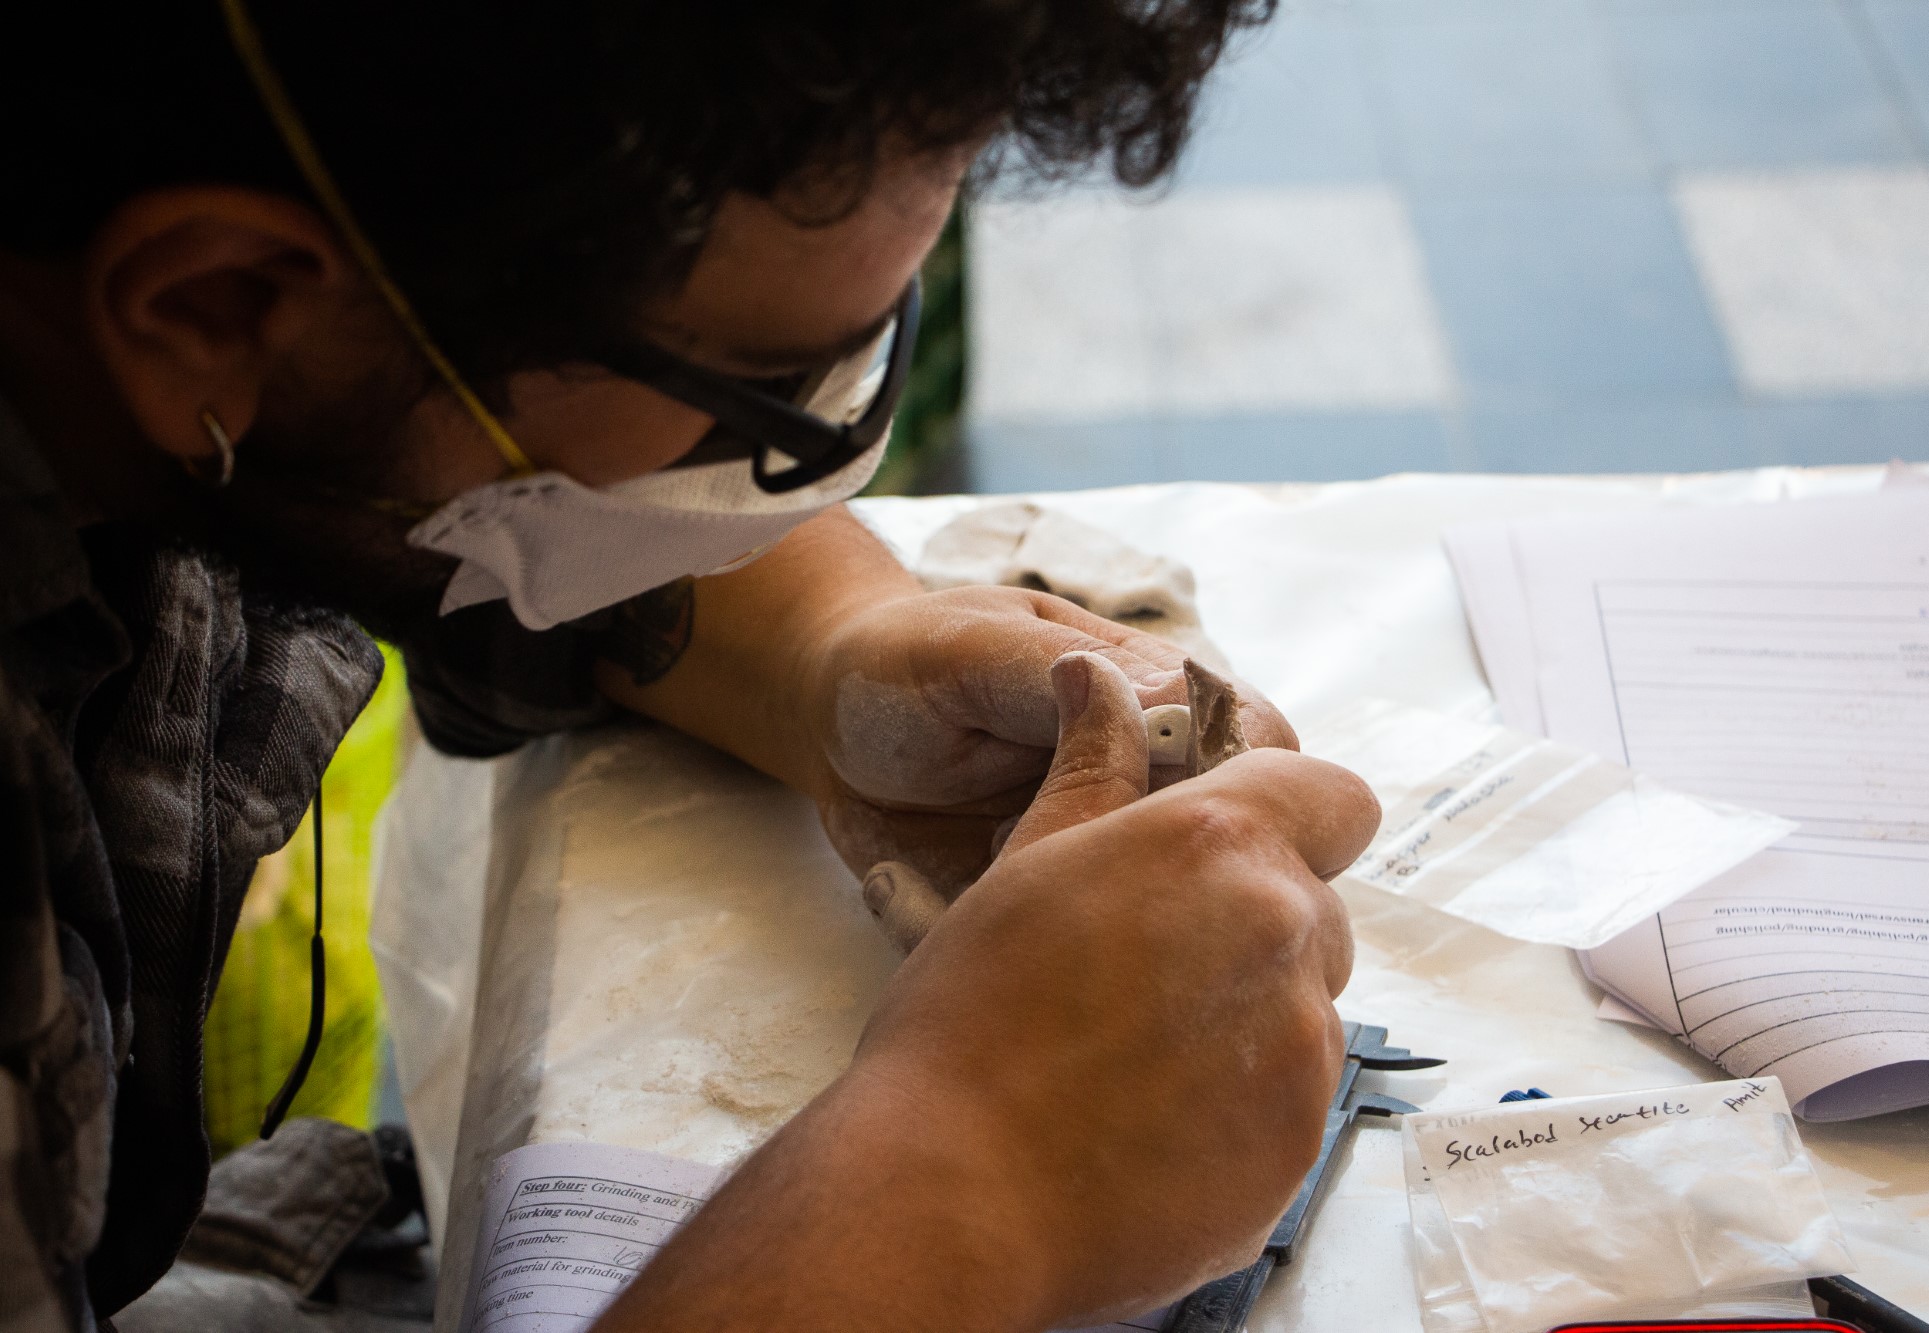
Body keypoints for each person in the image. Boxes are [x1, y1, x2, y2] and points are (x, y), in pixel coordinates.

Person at [0, 2, 1381, 1329]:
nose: (795, 476)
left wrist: (840, 657)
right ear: (217, 305)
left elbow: (461, 505)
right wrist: (975, 1168)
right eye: (768, 402)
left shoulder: (234, 375)